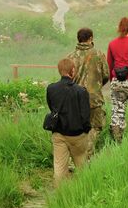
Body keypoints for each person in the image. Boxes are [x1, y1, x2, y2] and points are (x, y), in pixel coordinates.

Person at [46, 58, 91, 186]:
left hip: (59, 133)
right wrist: (85, 130)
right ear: (73, 71)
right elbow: (85, 116)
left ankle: (60, 196)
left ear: (60, 71)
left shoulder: (51, 88)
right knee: (82, 166)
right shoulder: (81, 91)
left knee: (59, 167)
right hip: (77, 135)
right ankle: (83, 192)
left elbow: (52, 107)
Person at [67, 27, 109, 154]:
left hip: (74, 100)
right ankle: (87, 156)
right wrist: (97, 86)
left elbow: (66, 78)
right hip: (93, 99)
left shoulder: (70, 57)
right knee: (94, 127)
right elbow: (106, 75)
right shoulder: (99, 54)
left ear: (78, 39)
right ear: (90, 38)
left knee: (75, 129)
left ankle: (73, 158)